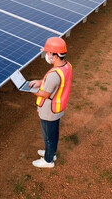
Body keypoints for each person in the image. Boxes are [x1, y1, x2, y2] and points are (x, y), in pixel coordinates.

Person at [29, 37, 72, 168]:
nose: (46, 55)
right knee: (54, 133)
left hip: (49, 110)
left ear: (54, 55)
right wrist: (40, 82)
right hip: (58, 108)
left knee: (48, 136)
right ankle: (51, 152)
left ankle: (48, 160)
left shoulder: (54, 74)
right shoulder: (66, 66)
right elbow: (55, 83)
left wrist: (30, 90)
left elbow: (45, 93)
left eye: (48, 53)